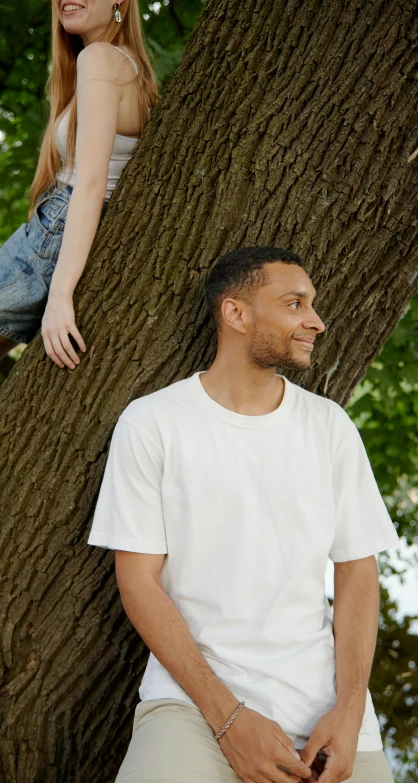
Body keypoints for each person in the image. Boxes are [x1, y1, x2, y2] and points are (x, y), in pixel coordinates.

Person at [88, 246, 399, 783]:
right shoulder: (153, 423)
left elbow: (357, 571)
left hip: (328, 710)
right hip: (193, 705)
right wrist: (228, 719)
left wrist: (351, 709)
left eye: (312, 304)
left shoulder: (329, 427)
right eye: (295, 303)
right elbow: (138, 580)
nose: (316, 321)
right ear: (236, 313)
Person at [0, 0, 157, 491]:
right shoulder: (129, 67)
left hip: (54, 240)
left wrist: (61, 296)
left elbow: (92, 183)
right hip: (48, 233)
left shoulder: (100, 60)